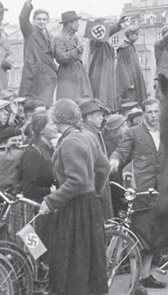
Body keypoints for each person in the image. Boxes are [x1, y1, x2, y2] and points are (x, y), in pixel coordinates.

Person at [39, 99, 109, 295]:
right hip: (89, 207)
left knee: (71, 264)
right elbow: (104, 167)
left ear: (58, 118)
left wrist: (50, 201)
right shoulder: (87, 137)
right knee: (88, 263)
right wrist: (94, 190)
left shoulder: (70, 142)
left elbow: (77, 181)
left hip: (75, 209)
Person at [109, 98, 166, 290]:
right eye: (149, 112)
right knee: (140, 235)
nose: (153, 116)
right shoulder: (134, 133)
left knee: (155, 235)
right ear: (143, 114)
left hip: (162, 189)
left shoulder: (166, 132)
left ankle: (146, 274)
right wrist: (115, 160)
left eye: (156, 112)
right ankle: (136, 280)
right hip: (142, 190)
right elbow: (121, 151)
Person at [19, 0, 58, 105]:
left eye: (44, 19)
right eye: (39, 19)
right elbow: (23, 19)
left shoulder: (51, 37)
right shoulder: (30, 31)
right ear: (34, 20)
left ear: (48, 21)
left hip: (48, 76)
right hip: (33, 75)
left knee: (46, 105)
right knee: (29, 105)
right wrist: (29, 1)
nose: (41, 22)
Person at [80, 99, 114, 220]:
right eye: (99, 115)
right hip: (95, 191)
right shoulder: (87, 134)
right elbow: (101, 167)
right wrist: (97, 191)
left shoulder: (94, 132)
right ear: (88, 117)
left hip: (100, 189)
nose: (102, 118)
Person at [87, 16, 128, 111]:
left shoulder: (106, 43)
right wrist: (118, 25)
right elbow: (105, 34)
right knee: (101, 99)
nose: (107, 27)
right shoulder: (95, 40)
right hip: (99, 75)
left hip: (107, 75)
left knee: (107, 97)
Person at [54, 10, 93, 101]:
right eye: (76, 22)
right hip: (68, 74)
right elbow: (60, 58)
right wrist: (75, 51)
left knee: (85, 98)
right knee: (69, 99)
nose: (78, 24)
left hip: (79, 72)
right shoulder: (59, 38)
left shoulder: (76, 37)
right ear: (69, 24)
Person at [19, 113, 56, 203]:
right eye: (52, 124)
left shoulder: (51, 150)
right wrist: (50, 191)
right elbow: (28, 190)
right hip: (37, 207)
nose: (56, 127)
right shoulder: (33, 153)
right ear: (41, 130)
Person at [115, 26, 148, 106]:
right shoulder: (124, 48)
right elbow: (121, 67)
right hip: (130, 82)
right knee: (131, 102)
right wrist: (129, 82)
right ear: (130, 35)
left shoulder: (131, 47)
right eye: (136, 35)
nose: (137, 37)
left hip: (136, 79)